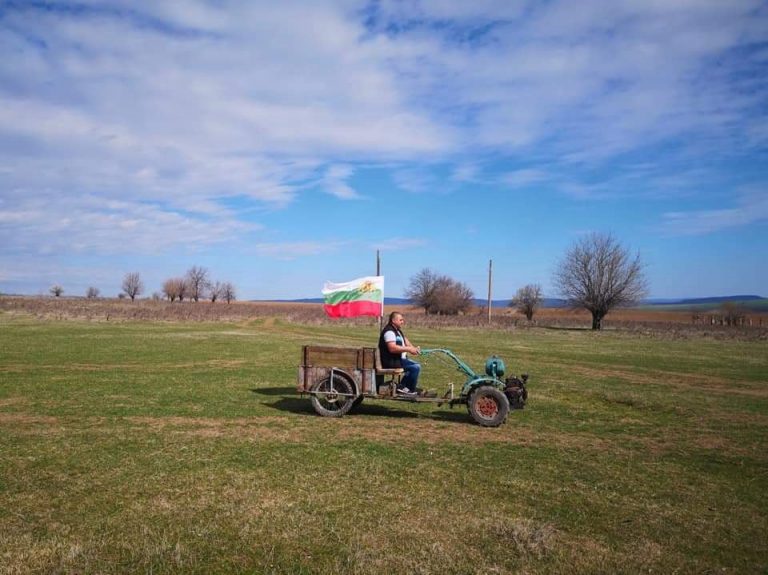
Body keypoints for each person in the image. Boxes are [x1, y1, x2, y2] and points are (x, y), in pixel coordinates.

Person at [378, 311, 422, 396]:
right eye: (401, 320)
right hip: (391, 361)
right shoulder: (389, 332)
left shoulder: (398, 331)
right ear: (394, 320)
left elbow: (405, 341)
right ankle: (405, 388)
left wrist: (414, 348)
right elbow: (392, 348)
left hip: (398, 360)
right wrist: (409, 349)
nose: (403, 322)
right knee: (415, 367)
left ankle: (404, 387)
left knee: (415, 366)